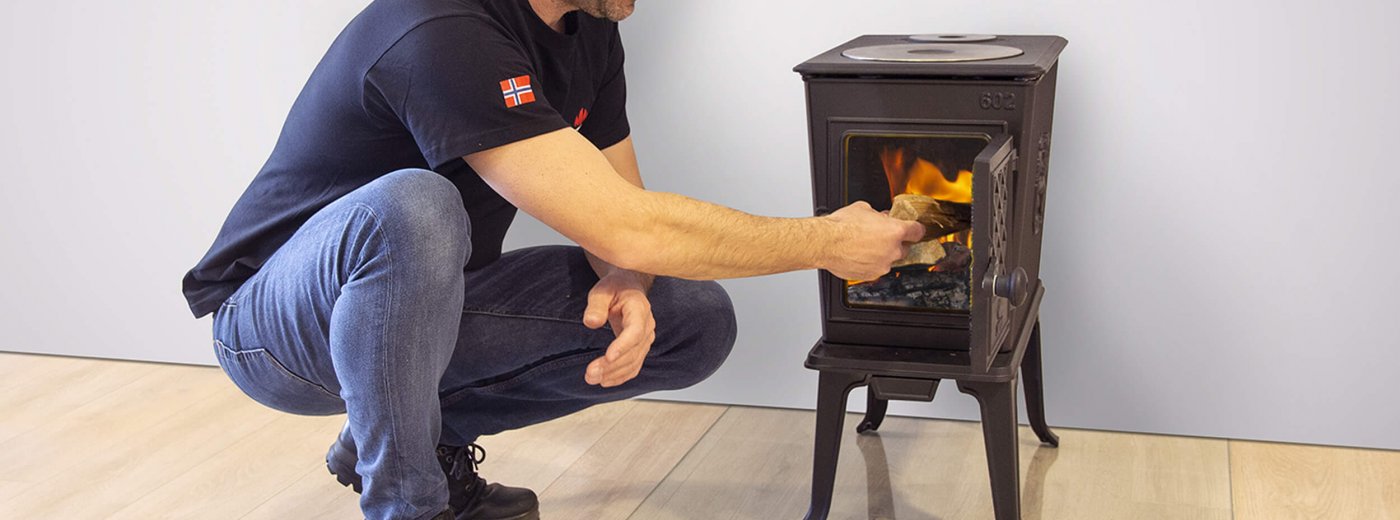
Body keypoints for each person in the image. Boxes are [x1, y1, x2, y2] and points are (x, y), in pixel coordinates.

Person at [181, 0, 923, 518]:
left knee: (692, 316)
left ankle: (410, 441)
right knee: (415, 204)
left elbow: (620, 211)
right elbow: (629, 223)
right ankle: (407, 505)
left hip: (425, 308)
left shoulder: (588, 32)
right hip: (273, 329)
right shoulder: (439, 24)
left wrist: (628, 277)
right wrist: (826, 241)